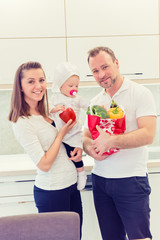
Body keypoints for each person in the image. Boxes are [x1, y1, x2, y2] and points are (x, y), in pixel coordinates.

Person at [83, 46, 157, 240]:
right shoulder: (95, 102)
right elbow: (85, 137)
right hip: (101, 181)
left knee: (139, 238)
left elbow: (148, 134)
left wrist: (112, 141)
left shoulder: (140, 93)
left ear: (116, 63)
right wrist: (91, 149)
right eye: (95, 71)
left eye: (105, 67)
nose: (101, 74)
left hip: (131, 180)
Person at [8, 61, 83, 236]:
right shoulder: (22, 122)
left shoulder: (47, 112)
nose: (38, 86)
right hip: (52, 192)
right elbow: (44, 164)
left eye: (41, 80)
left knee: (76, 237)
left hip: (70, 185)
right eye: (31, 81)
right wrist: (62, 133)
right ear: (20, 86)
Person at [50, 62, 89, 190]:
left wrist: (97, 109)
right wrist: (54, 109)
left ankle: (81, 173)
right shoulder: (54, 98)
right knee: (64, 155)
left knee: (74, 153)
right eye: (71, 85)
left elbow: (88, 106)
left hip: (74, 132)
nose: (75, 88)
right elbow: (46, 108)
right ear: (60, 86)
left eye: (77, 86)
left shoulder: (77, 99)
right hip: (59, 134)